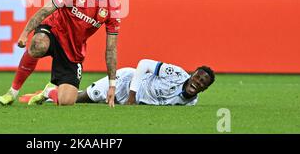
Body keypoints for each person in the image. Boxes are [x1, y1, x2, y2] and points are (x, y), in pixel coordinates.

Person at [0, 0, 121, 107]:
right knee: (38, 44)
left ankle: (49, 91)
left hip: (73, 50)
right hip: (54, 31)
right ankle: (12, 92)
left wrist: (112, 85)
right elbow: (45, 11)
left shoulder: (113, 8)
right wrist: (25, 33)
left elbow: (111, 49)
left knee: (67, 101)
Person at [27, 59, 215, 106]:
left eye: (203, 83)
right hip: (126, 81)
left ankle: (49, 96)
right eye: (198, 77)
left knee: (76, 98)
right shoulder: (175, 73)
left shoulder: (191, 102)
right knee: (82, 99)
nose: (198, 82)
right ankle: (50, 92)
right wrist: (132, 95)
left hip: (129, 101)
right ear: (192, 75)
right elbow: (143, 64)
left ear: (205, 89)